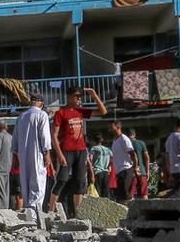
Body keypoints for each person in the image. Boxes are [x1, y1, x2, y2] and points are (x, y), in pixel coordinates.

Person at [52, 86, 107, 218]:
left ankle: (79, 214)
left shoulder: (80, 111)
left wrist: (94, 95)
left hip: (81, 150)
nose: (79, 98)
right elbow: (54, 135)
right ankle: (51, 210)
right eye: (76, 96)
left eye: (80, 96)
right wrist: (59, 154)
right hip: (67, 150)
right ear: (69, 96)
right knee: (62, 179)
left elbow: (103, 111)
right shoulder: (61, 113)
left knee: (80, 181)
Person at [12, 93, 54, 222]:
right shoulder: (42, 115)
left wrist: (15, 154)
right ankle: (35, 214)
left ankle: (29, 213)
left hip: (23, 154)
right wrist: (47, 153)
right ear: (41, 103)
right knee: (38, 182)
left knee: (25, 181)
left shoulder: (21, 116)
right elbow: (45, 136)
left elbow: (15, 136)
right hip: (37, 153)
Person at [108, 121, 137, 201]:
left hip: (126, 169)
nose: (109, 129)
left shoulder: (124, 138)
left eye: (112, 127)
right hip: (119, 171)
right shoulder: (114, 141)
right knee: (120, 195)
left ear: (118, 127)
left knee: (126, 192)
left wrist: (135, 166)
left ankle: (130, 210)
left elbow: (132, 153)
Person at [126, 127, 150, 200]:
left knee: (131, 195)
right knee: (144, 195)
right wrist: (147, 172)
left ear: (127, 136)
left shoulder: (126, 144)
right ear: (134, 134)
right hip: (141, 171)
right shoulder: (141, 143)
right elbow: (147, 158)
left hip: (130, 172)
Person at [88, 134, 113, 198]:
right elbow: (111, 159)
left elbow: (90, 159)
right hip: (106, 172)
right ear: (102, 140)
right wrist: (109, 167)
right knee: (105, 192)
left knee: (97, 192)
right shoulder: (107, 149)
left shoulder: (94, 148)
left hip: (97, 171)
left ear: (94, 141)